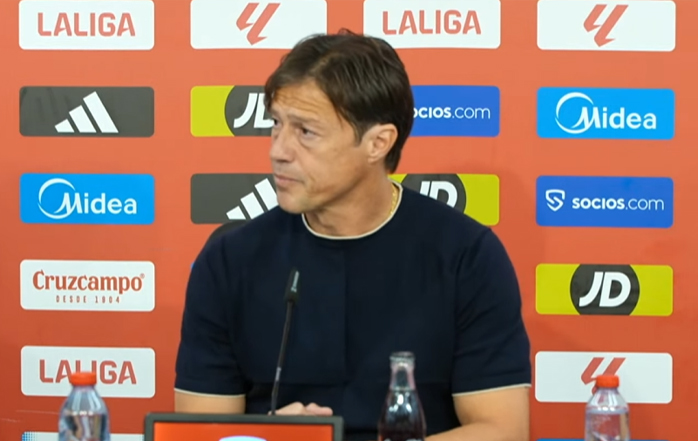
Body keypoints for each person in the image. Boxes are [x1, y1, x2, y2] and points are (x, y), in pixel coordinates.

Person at [174, 29, 531, 441]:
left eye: (306, 132)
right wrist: (271, 436)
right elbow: (199, 434)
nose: (278, 150)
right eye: (276, 124)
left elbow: (502, 430)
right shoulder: (229, 261)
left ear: (378, 143)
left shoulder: (465, 256)